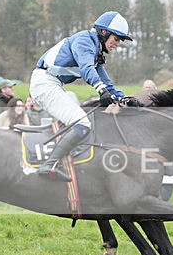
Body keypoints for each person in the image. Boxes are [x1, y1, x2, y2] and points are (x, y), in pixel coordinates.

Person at [30, 10, 131, 182]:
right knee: (82, 122)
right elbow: (86, 69)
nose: (117, 44)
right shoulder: (84, 41)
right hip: (44, 83)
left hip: (51, 84)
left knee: (82, 121)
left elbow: (107, 82)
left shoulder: (96, 51)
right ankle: (49, 164)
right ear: (104, 32)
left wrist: (125, 98)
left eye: (120, 41)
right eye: (116, 39)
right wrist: (101, 90)